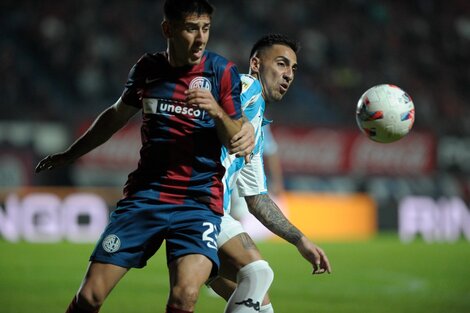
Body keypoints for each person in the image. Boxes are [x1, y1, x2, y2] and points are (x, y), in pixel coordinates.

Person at [35, 1, 254, 312]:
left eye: (205, 28)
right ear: (168, 29)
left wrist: (216, 110)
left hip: (198, 202)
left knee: (185, 296)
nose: (201, 37)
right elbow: (115, 116)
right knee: (89, 296)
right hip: (146, 196)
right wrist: (72, 153)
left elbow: (235, 138)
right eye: (192, 28)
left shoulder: (222, 72)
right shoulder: (148, 69)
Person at [209, 34, 332, 313]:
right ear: (256, 63)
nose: (288, 74)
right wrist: (239, 123)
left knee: (261, 307)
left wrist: (300, 240)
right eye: (281, 64)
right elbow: (218, 100)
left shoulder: (258, 124)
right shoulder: (247, 85)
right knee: (258, 274)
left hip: (211, 211)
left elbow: (256, 198)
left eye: (293, 69)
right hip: (196, 203)